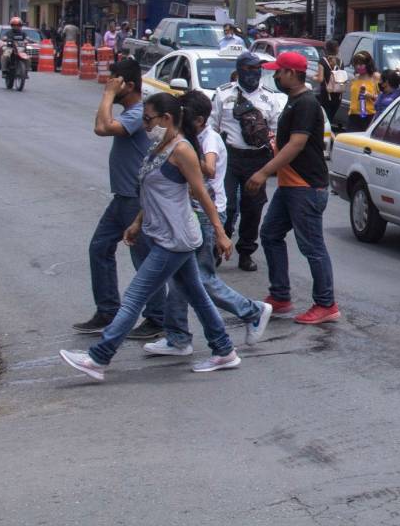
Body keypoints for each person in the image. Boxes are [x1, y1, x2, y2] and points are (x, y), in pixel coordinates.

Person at [59, 93, 241, 381]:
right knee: (196, 294)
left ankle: (98, 358)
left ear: (166, 118)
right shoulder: (159, 146)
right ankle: (224, 350)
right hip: (165, 235)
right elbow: (153, 192)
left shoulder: (182, 150)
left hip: (175, 239)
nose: (145, 125)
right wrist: (137, 222)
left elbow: (201, 193)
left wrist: (220, 232)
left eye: (148, 119)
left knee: (135, 296)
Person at [145, 91, 273, 356]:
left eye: (184, 117)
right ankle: (178, 337)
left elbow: (210, 170)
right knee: (181, 280)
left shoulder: (207, 139)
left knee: (200, 279)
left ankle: (252, 311)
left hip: (205, 214)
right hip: (190, 214)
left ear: (199, 120)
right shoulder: (184, 139)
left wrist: (186, 156)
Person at [71, 58, 165, 341]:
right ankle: (108, 310)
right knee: (99, 248)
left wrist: (108, 95)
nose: (110, 84)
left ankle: (157, 317)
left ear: (130, 85)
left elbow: (103, 128)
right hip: (122, 197)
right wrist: (110, 95)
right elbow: (101, 125)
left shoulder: (138, 113)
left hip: (137, 199)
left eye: (115, 80)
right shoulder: (131, 111)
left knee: (144, 259)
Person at [248, 51, 340, 325]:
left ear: (291, 73)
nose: (275, 76)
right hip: (290, 185)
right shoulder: (294, 101)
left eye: (279, 71)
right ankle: (280, 296)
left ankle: (326, 304)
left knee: (312, 246)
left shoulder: (306, 103)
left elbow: (297, 144)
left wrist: (264, 172)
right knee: (270, 234)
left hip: (305, 186)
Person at [209, 51, 283, 272]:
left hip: (257, 159)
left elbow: (275, 130)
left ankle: (246, 252)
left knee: (253, 208)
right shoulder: (223, 94)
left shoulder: (270, 97)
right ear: (240, 70)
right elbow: (212, 127)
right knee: (227, 205)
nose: (255, 73)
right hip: (230, 158)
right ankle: (218, 247)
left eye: (258, 68)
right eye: (250, 68)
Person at [315, 39, 347, 126]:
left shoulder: (323, 61)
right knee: (330, 118)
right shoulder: (340, 62)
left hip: (326, 95)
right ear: (337, 49)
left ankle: (326, 133)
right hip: (338, 95)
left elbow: (320, 79)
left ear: (326, 48)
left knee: (325, 119)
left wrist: (314, 77)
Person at [346, 50, 380, 131]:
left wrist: (369, 95)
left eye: (361, 64)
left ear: (368, 64)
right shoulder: (355, 77)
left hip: (369, 115)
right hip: (354, 115)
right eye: (356, 64)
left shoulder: (375, 77)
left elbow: (381, 97)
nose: (358, 67)